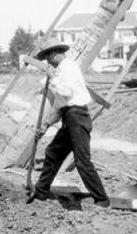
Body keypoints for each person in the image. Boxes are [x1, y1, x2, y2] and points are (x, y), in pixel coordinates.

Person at [26, 39, 110, 208]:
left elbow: (65, 91)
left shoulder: (69, 67)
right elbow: (60, 105)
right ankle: (41, 192)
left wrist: (53, 78)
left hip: (77, 117)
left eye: (47, 59)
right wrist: (46, 125)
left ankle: (102, 200)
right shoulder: (60, 71)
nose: (48, 63)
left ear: (53, 54)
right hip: (69, 117)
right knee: (53, 152)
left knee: (82, 161)